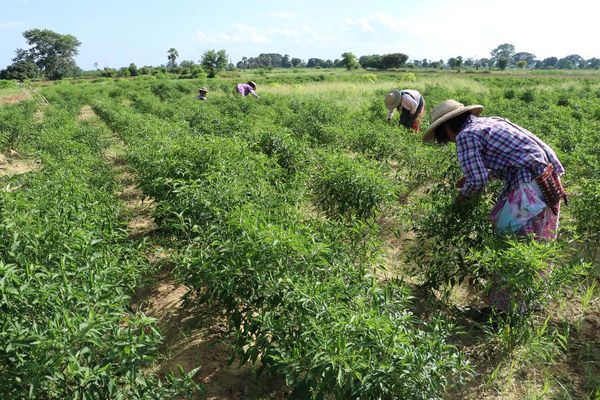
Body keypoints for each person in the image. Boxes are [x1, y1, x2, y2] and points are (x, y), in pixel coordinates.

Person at [423, 100, 567, 312]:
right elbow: (514, 160)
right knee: (535, 244)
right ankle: (531, 303)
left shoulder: (466, 135)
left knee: (508, 244)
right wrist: (484, 175)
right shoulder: (492, 122)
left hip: (529, 187)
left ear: (447, 126)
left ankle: (503, 312)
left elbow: (477, 181)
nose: (450, 140)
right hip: (547, 181)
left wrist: (459, 202)